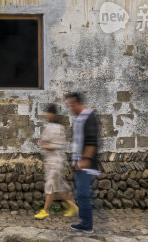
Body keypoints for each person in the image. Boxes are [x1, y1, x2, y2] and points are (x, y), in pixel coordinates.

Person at [35, 104, 79, 220]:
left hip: (54, 162)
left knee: (50, 185)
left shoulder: (54, 128)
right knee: (60, 186)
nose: (45, 115)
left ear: (53, 114)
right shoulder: (57, 127)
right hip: (53, 161)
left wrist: (43, 144)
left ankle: (45, 210)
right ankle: (73, 206)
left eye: (47, 112)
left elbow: (55, 145)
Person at [65, 92, 100, 234]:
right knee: (81, 194)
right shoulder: (79, 118)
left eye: (72, 105)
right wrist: (75, 160)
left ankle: (87, 224)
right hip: (80, 162)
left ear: (78, 103)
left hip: (86, 163)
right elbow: (78, 141)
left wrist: (85, 160)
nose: (70, 108)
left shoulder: (89, 116)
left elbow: (92, 141)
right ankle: (85, 222)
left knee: (83, 194)